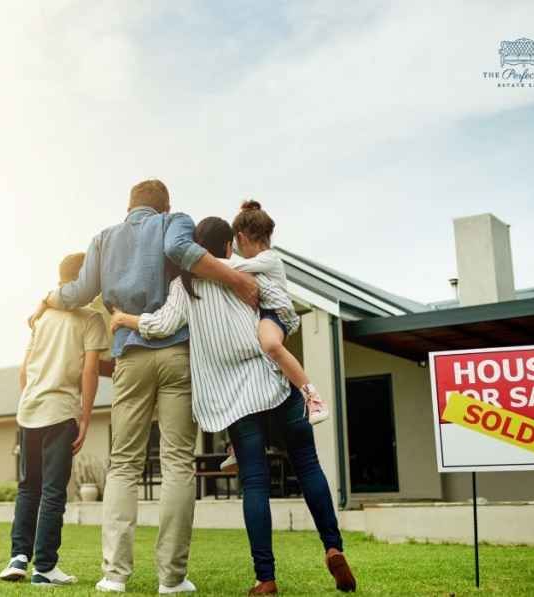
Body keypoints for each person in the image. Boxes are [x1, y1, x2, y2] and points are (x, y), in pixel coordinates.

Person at [30, 179, 259, 594]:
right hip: (176, 356)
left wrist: (49, 298)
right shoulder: (175, 221)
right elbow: (180, 251)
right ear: (164, 205)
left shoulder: (104, 238)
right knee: (176, 463)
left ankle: (114, 575)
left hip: (130, 357)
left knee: (124, 464)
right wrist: (236, 279)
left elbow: (80, 292)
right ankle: (172, 578)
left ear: (130, 206)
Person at [112, 216, 356, 595]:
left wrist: (124, 319)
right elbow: (282, 308)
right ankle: (333, 546)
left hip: (235, 402)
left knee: (255, 483)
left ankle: (266, 578)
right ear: (229, 245)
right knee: (308, 465)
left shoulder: (185, 284)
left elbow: (161, 325)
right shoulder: (245, 271)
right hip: (273, 384)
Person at [0, 252, 109, 586]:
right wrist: (86, 417)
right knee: (52, 492)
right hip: (60, 413)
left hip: (29, 411)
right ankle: (44, 567)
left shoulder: (41, 318)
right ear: (84, 281)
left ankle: (18, 557)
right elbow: (90, 370)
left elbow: (23, 370)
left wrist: (30, 398)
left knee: (28, 488)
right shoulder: (91, 319)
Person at [219, 199, 330, 473]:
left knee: (269, 345)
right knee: (252, 380)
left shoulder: (268, 259)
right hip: (265, 317)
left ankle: (312, 396)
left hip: (276, 316)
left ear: (241, 238)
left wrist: (202, 259)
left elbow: (231, 269)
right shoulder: (260, 260)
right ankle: (234, 445)